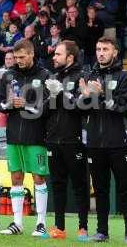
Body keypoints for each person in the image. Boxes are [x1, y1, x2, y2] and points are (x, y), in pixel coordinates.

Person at [78, 37, 127, 244]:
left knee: (125, 188)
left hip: (119, 141)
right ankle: (102, 231)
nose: (101, 53)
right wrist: (85, 97)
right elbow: (78, 107)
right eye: (98, 49)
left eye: (105, 49)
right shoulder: (88, 76)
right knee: (100, 189)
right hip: (94, 142)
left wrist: (101, 95)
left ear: (115, 52)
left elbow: (122, 107)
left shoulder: (125, 76)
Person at [0, 39, 50, 237]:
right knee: (16, 177)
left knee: (38, 178)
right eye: (16, 57)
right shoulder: (8, 76)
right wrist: (10, 103)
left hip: (36, 135)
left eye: (22, 57)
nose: (18, 60)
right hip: (13, 135)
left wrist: (26, 104)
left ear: (31, 55)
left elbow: (48, 107)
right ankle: (17, 223)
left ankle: (41, 223)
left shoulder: (44, 75)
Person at [45, 40, 89, 241]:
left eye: (58, 54)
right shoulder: (53, 77)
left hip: (74, 139)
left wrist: (62, 93)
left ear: (70, 57)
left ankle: (83, 227)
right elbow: (44, 111)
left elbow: (82, 107)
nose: (54, 57)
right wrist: (50, 98)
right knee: (57, 185)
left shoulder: (82, 76)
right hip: (54, 140)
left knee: (79, 185)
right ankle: (59, 228)